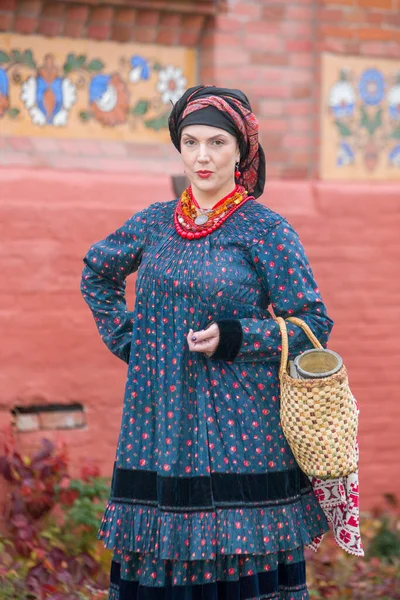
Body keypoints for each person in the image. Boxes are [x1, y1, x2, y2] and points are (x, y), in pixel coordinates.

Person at [80, 85, 334, 600]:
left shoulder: (266, 231)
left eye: (217, 143)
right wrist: (134, 341)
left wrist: (237, 337)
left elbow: (313, 326)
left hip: (242, 434)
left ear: (241, 150)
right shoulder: (153, 223)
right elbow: (97, 275)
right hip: (159, 426)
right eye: (190, 141)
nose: (202, 156)